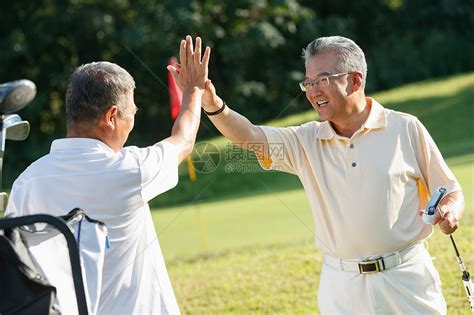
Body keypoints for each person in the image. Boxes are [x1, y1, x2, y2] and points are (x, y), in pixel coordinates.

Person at [197, 36, 464, 313]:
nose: (313, 92)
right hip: (342, 288)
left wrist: (450, 210)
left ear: (355, 80)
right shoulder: (305, 140)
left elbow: (450, 190)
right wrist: (212, 104)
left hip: (407, 279)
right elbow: (251, 136)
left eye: (322, 80)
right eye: (308, 83)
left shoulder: (405, 127)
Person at [6, 35, 210, 314]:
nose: (133, 120)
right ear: (111, 116)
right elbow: (184, 139)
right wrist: (194, 90)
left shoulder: (26, 182)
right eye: (132, 112)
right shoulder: (130, 170)